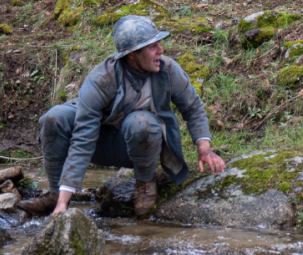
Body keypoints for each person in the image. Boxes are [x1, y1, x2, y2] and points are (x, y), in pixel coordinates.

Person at [19, 15, 225, 218]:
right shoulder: (101, 79)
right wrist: (64, 202)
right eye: (153, 47)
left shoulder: (168, 70)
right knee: (53, 118)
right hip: (99, 143)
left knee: (142, 123)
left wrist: (204, 149)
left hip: (139, 143)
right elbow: (83, 139)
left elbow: (193, 108)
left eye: (159, 44)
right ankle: (55, 196)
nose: (161, 51)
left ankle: (144, 185)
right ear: (132, 55)